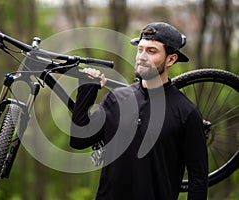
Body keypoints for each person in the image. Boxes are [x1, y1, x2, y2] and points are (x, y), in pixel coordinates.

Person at [70, 22, 208, 200]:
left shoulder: (186, 112)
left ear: (171, 59)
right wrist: (86, 91)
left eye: (151, 51)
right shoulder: (117, 99)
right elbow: (79, 140)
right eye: (140, 49)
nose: (142, 57)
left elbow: (198, 180)